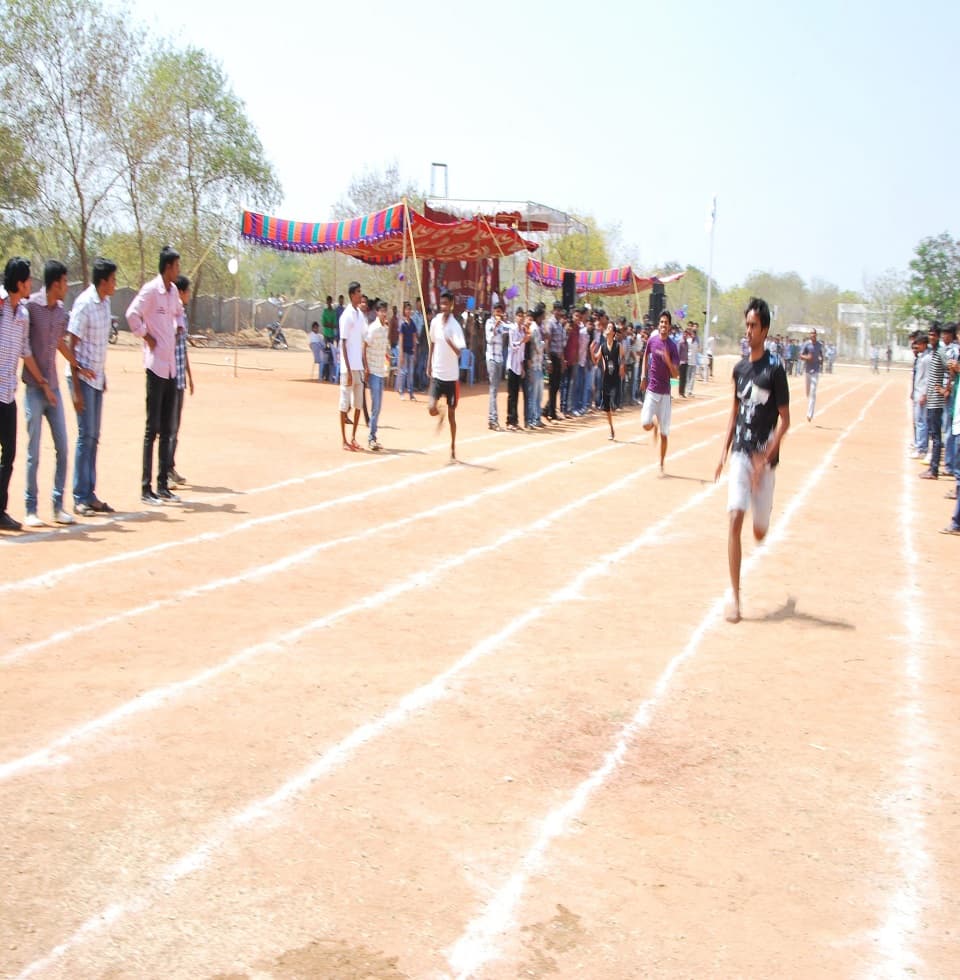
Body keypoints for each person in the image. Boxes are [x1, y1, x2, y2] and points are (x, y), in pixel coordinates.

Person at [715, 297, 790, 624]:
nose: (748, 331)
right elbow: (734, 412)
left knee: (759, 532)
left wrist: (765, 459)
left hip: (764, 459)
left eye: (753, 326)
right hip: (741, 454)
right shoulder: (740, 369)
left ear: (765, 329)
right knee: (734, 518)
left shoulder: (775, 370)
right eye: (746, 325)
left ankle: (765, 513)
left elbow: (785, 421)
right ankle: (735, 598)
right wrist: (724, 451)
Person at [23, 260, 80, 526]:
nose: (67, 287)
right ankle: (31, 508)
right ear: (55, 283)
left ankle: (58, 506)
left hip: (54, 389)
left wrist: (78, 364)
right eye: (65, 282)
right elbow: (26, 350)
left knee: (63, 448)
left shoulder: (59, 311)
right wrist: (43, 384)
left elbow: (59, 342)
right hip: (35, 390)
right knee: (34, 451)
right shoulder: (31, 307)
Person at [126, 244, 185, 504]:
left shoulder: (173, 292)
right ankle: (145, 488)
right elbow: (131, 314)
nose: (179, 270)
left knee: (167, 427)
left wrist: (180, 327)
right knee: (153, 429)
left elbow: (179, 313)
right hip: (155, 366)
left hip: (171, 367)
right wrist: (145, 336)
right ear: (168, 267)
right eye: (176, 266)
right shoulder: (151, 290)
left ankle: (162, 485)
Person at [67, 257, 117, 516]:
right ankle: (79, 497)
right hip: (82, 379)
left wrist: (103, 374)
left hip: (97, 379)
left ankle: (90, 493)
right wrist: (76, 386)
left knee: (94, 437)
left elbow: (99, 345)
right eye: (113, 280)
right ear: (103, 281)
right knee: (85, 436)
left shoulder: (106, 303)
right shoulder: (84, 304)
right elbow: (70, 346)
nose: (115, 285)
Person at [0, 257, 34, 530]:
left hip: (8, 395)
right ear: (19, 283)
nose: (31, 284)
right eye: (29, 280)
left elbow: (25, 351)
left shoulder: (22, 314)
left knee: (9, 453)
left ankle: (0, 510)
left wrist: (43, 379)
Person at [427, 289, 465, 461]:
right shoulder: (435, 321)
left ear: (451, 304)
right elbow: (433, 344)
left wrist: (450, 341)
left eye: (446, 303)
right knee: (431, 408)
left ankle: (452, 447)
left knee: (452, 416)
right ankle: (438, 414)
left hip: (451, 377)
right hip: (437, 373)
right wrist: (429, 365)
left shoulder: (455, 326)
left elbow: (459, 352)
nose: (443, 306)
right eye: (441, 303)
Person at [640, 310, 680, 473]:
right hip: (652, 390)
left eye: (666, 323)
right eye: (661, 322)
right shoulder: (653, 340)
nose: (663, 325)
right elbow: (645, 355)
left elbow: (676, 374)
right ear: (659, 324)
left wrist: (669, 361)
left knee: (664, 434)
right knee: (645, 424)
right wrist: (643, 375)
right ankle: (653, 425)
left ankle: (662, 463)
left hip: (664, 394)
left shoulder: (672, 346)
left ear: (670, 326)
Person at [169, 275, 194, 487]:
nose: (189, 295)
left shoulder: (182, 316)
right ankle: (164, 470)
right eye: (187, 291)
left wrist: (190, 376)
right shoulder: (170, 315)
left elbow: (183, 349)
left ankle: (170, 466)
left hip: (180, 379)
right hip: (169, 377)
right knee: (168, 426)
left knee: (175, 426)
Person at [338, 281, 365, 450]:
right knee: (344, 403)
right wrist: (347, 369)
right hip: (347, 368)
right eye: (358, 292)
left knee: (358, 404)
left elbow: (362, 340)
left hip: (358, 367)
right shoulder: (346, 315)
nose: (361, 295)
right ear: (352, 295)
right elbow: (343, 343)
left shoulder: (360, 315)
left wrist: (364, 366)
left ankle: (354, 437)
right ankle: (344, 440)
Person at [919, 324, 947, 479]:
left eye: (934, 335)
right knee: (932, 433)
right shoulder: (933, 352)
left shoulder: (941, 352)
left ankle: (934, 469)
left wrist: (945, 388)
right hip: (931, 399)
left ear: (938, 336)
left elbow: (950, 368)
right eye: (929, 334)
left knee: (936, 435)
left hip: (937, 401)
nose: (931, 337)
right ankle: (932, 467)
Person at [363, 300, 389, 451]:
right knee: (375, 405)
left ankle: (373, 436)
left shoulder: (385, 328)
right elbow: (365, 346)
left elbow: (383, 347)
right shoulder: (373, 328)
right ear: (377, 312)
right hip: (373, 371)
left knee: (378, 407)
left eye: (385, 311)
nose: (384, 313)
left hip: (380, 370)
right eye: (381, 311)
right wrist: (366, 368)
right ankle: (371, 438)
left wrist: (387, 357)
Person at [592, 318, 624, 440]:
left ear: (614, 333)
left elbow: (623, 358)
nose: (607, 329)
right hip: (606, 379)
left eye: (610, 328)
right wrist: (591, 351)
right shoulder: (603, 346)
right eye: (607, 327)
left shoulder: (618, 346)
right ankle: (611, 429)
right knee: (607, 409)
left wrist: (621, 366)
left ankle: (614, 403)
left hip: (615, 379)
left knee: (613, 406)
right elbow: (595, 359)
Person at [484, 301, 505, 429]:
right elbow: (488, 339)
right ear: (493, 311)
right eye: (497, 311)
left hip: (499, 358)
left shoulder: (503, 324)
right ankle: (493, 419)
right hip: (491, 358)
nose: (498, 313)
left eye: (500, 311)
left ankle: (493, 418)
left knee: (496, 389)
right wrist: (496, 327)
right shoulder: (489, 323)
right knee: (493, 389)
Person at [506, 308, 526, 431]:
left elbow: (522, 352)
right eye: (519, 316)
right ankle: (509, 420)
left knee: (516, 394)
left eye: (522, 316)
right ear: (515, 317)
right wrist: (523, 340)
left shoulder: (522, 330)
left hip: (518, 366)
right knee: (511, 395)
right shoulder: (512, 329)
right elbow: (514, 346)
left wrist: (522, 366)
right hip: (512, 365)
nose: (521, 318)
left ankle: (515, 420)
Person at [544, 300, 565, 421]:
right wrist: (548, 359)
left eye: (560, 310)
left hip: (558, 356)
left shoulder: (560, 325)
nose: (558, 312)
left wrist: (562, 360)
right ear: (554, 310)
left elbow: (561, 345)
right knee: (552, 386)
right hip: (552, 356)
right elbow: (548, 341)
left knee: (556, 386)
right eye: (557, 310)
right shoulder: (551, 323)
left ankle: (549, 409)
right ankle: (551, 412)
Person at [799, 328, 824, 422]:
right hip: (808, 371)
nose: (813, 335)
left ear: (816, 335)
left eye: (814, 333)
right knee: (808, 392)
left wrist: (821, 359)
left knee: (813, 393)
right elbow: (800, 355)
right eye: (811, 333)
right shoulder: (806, 344)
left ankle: (810, 414)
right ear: (809, 335)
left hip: (816, 370)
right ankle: (809, 398)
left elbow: (821, 355)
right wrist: (807, 357)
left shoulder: (819, 345)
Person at [397, 301, 417, 400]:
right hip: (404, 350)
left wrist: (415, 350)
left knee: (411, 372)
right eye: (407, 309)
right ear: (404, 311)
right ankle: (401, 392)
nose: (408, 311)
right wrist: (400, 353)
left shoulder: (412, 323)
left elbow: (414, 337)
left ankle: (411, 393)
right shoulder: (402, 324)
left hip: (411, 351)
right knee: (403, 371)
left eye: (410, 309)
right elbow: (400, 339)